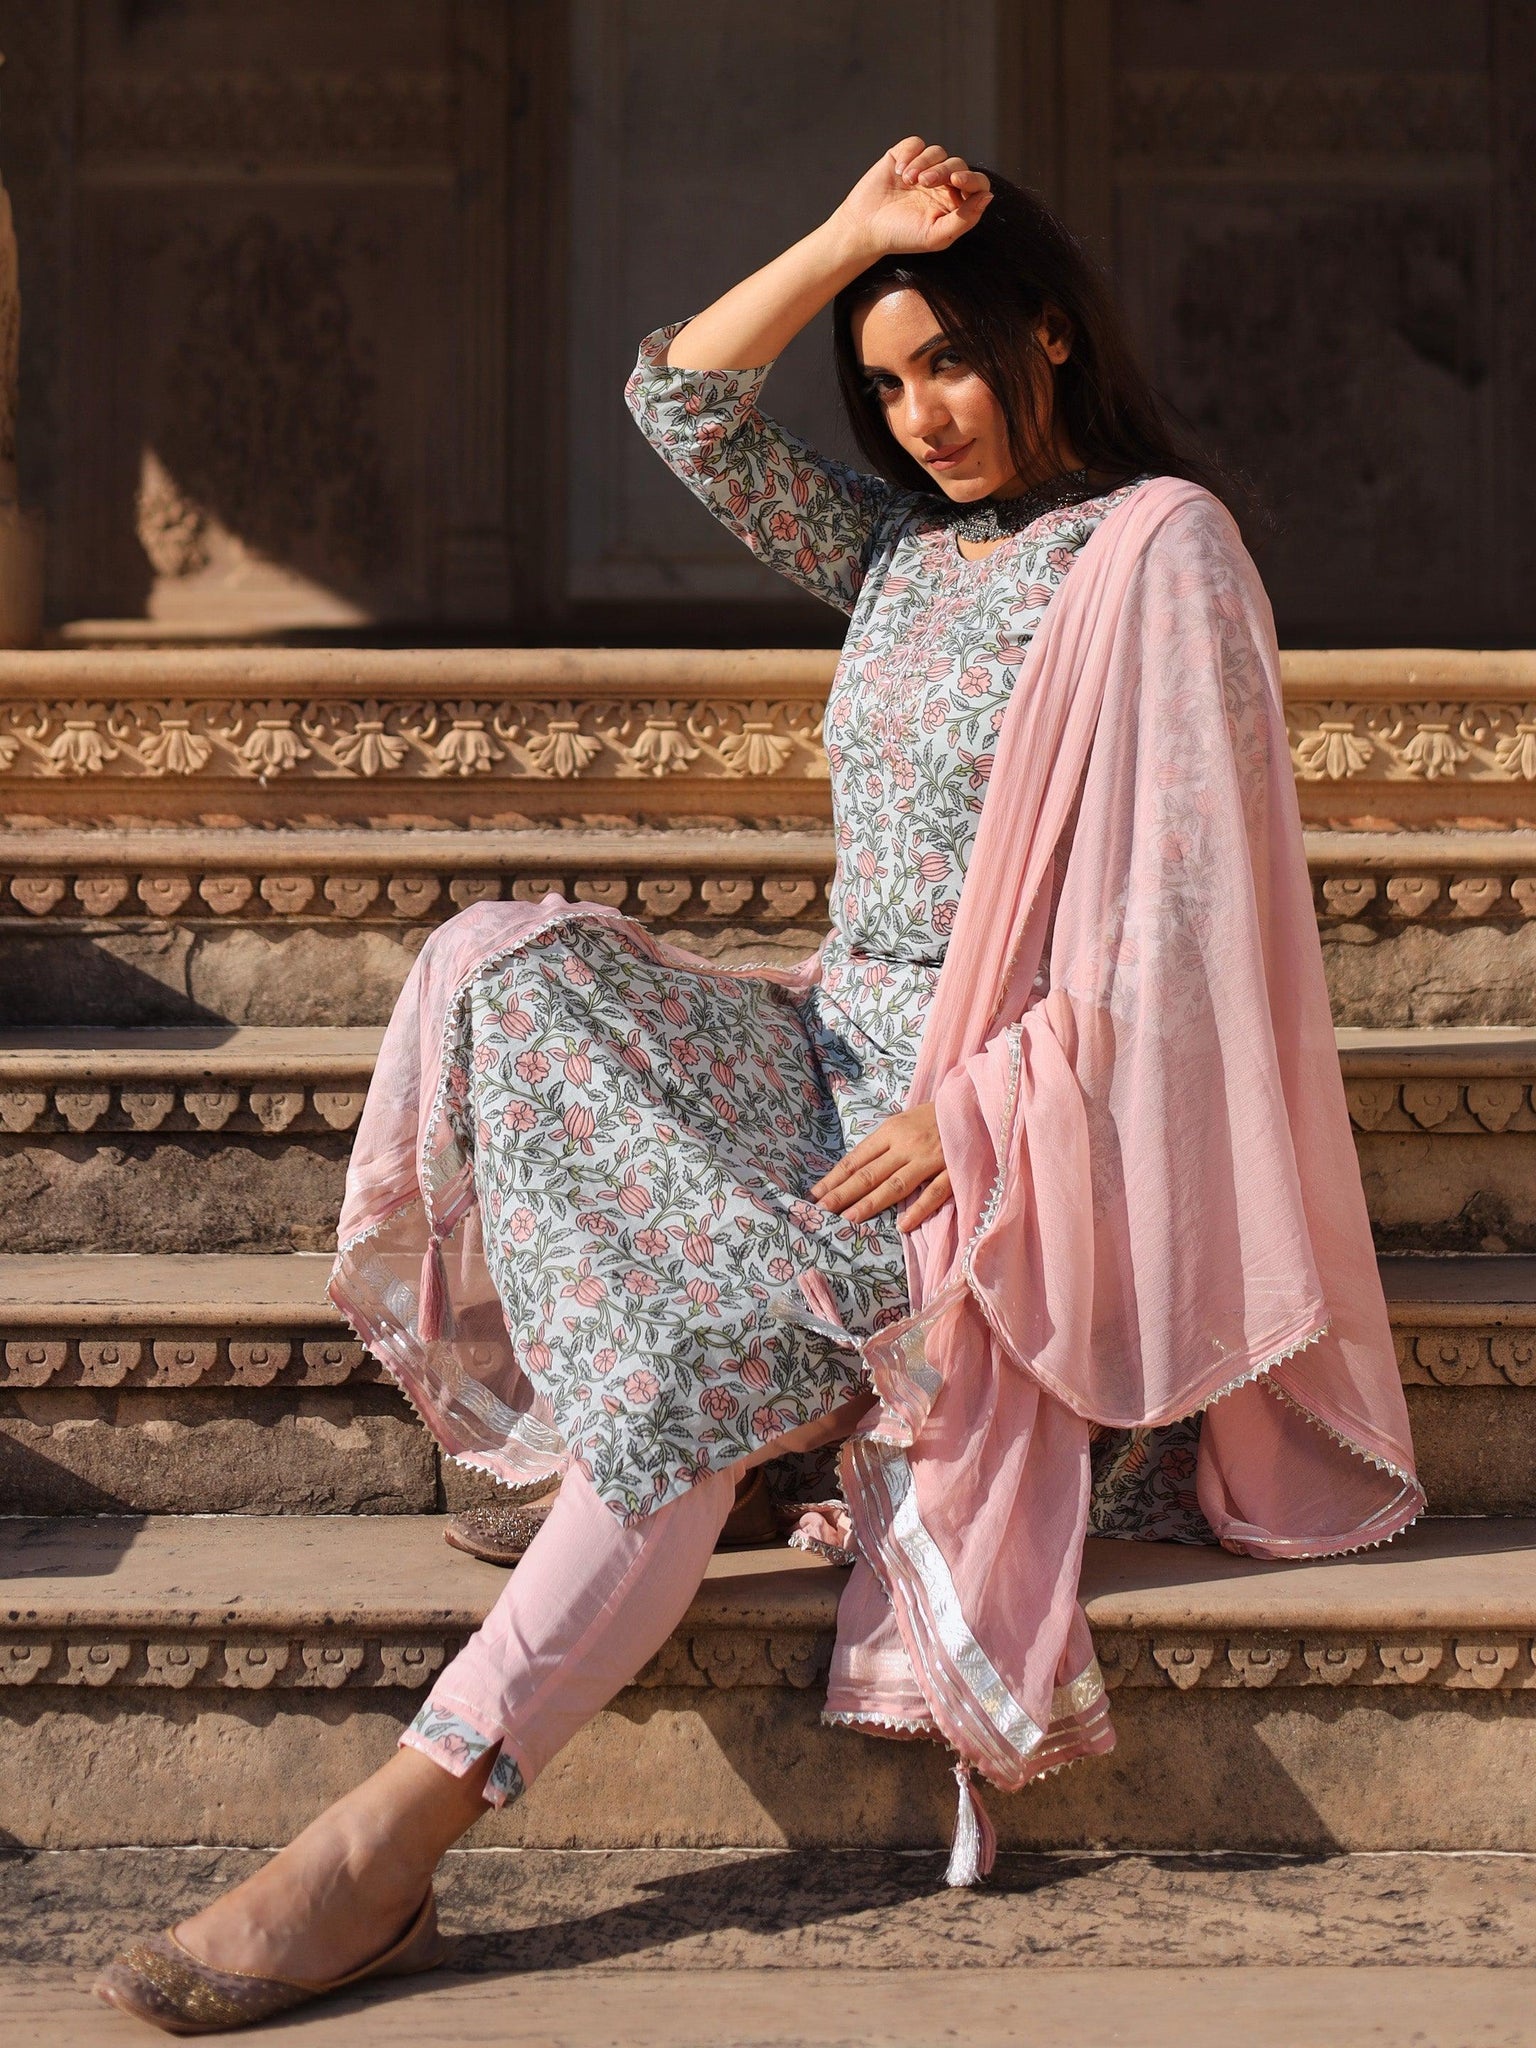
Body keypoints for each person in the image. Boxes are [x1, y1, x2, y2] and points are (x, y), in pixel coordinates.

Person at [94, 136, 1423, 2035]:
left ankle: (395, 1833)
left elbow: (1175, 930)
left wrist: (973, 1109)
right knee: (505, 968)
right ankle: (697, 1384)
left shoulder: (1157, 550)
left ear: (1049, 331)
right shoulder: (894, 548)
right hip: (828, 1051)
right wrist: (851, 239)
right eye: (885, 386)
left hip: (999, 1130)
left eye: (949, 363)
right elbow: (681, 401)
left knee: (701, 1363)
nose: (921, 415)